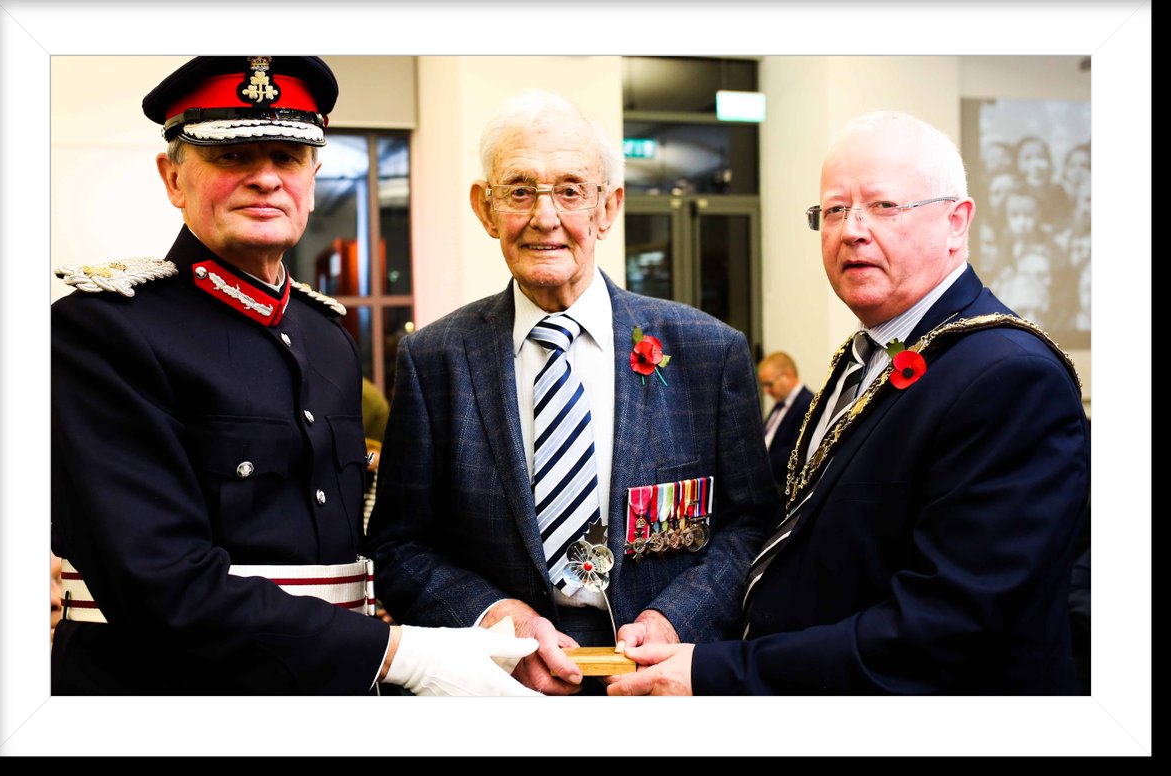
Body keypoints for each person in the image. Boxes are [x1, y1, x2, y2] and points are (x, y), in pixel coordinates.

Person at [50, 56, 540, 696]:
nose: (265, 179)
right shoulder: (101, 331)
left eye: (287, 156)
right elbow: (162, 582)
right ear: (173, 177)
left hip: (333, 687)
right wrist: (405, 656)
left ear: (312, 175)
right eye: (232, 157)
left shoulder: (325, 335)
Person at [608, 110, 1089, 695]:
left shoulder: (1008, 375)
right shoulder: (865, 356)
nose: (852, 230)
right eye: (834, 210)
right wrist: (681, 623)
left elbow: (947, 631)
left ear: (956, 222)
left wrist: (718, 673)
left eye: (883, 206)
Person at [363, 90, 775, 695]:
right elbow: (399, 545)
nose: (545, 217)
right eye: (520, 190)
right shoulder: (435, 360)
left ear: (609, 208)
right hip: (499, 690)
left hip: (660, 690)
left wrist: (675, 618)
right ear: (485, 208)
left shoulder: (706, 354)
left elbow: (751, 525)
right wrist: (498, 621)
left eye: (571, 190)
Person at [756, 351, 813, 493]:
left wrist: (757, 465)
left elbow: (795, 453)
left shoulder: (807, 403)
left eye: (769, 384)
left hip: (783, 487)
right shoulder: (780, 404)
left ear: (787, 376)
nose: (766, 391)